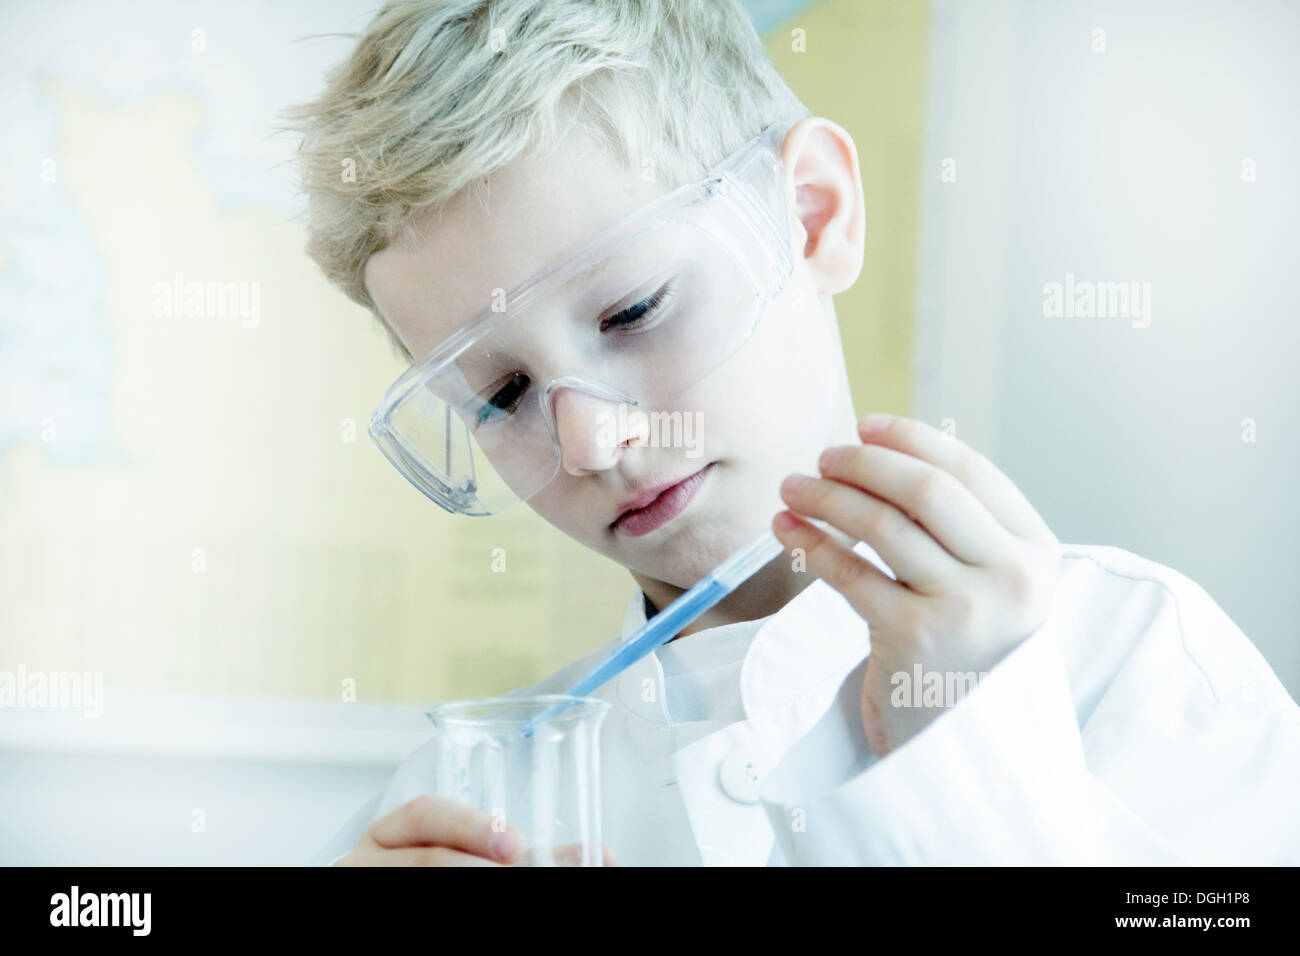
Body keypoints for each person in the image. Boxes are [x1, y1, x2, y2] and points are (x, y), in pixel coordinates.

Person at [282, 0, 1300, 866]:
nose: (589, 442)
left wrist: (964, 757)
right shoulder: (463, 797)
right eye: (503, 395)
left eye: (634, 310)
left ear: (812, 213)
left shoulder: (1135, 658)